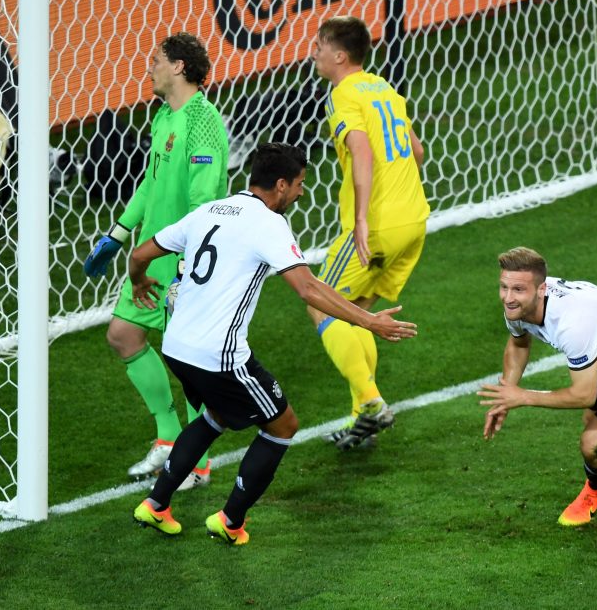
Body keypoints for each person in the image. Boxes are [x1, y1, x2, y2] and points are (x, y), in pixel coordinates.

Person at [129, 143, 417, 544]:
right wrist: (370, 321)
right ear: (280, 185)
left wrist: (139, 280)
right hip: (219, 355)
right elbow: (308, 288)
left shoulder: (210, 210)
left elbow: (141, 253)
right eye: (298, 184)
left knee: (217, 414)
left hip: (177, 346)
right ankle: (230, 522)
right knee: (283, 425)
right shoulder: (267, 223)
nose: (301, 193)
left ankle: (156, 505)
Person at [82, 32, 229, 488]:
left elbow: (204, 199)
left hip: (186, 257)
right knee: (123, 334)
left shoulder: (203, 121)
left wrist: (188, 265)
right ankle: (168, 440)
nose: (149, 68)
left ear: (180, 67)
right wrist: (117, 234)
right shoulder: (164, 118)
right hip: (151, 255)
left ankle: (197, 464)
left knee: (186, 362)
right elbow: (150, 182)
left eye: (157, 60)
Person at [478, 247, 597, 526]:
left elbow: (583, 394)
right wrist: (506, 393)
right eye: (504, 287)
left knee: (592, 442)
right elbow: (519, 343)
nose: (508, 297)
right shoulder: (518, 303)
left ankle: (594, 491)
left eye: (518, 289)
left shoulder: (573, 324)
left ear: (541, 289)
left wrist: (523, 396)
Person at [308, 16, 430, 450]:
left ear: (340, 56)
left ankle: (371, 400)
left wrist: (361, 218)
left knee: (319, 300)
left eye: (320, 45)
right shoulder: (384, 88)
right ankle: (363, 417)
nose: (314, 51)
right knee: (358, 310)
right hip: (414, 220)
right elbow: (415, 151)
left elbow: (361, 150)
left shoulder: (343, 94)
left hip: (376, 225)